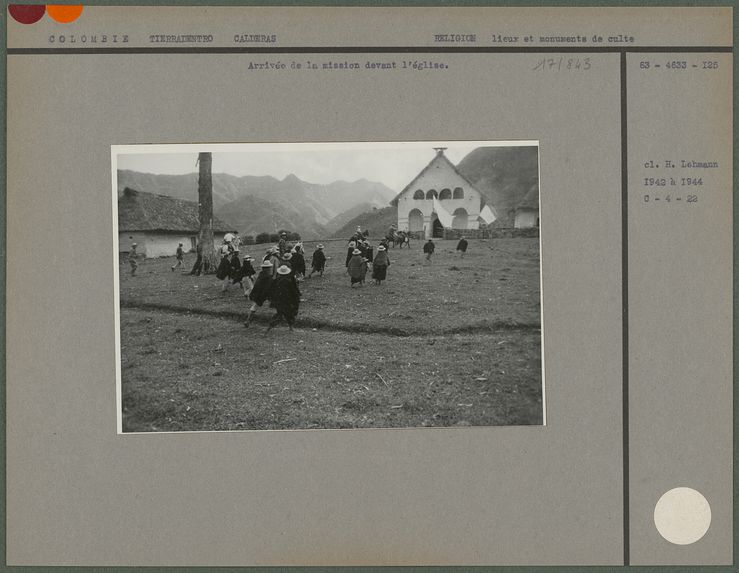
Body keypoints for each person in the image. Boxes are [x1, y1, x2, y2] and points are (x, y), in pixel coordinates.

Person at [268, 265, 301, 331]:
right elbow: (293, 290)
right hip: (288, 300)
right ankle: (290, 327)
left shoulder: (276, 280)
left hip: (279, 300)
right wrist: (297, 296)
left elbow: (272, 290)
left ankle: (270, 326)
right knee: (289, 314)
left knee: (279, 314)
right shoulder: (290, 280)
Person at [244, 261, 275, 327]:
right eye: (269, 268)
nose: (270, 269)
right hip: (264, 293)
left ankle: (248, 321)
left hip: (260, 293)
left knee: (254, 306)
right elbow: (270, 285)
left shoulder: (261, 274)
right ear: (267, 268)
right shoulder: (268, 276)